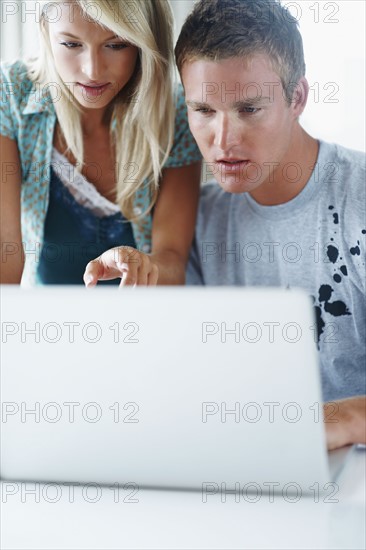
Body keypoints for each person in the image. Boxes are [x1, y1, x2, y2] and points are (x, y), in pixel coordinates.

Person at [172, 0, 365, 450]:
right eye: (203, 110)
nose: (223, 140)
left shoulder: (356, 200)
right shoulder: (198, 222)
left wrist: (347, 419)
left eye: (249, 109)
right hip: (253, 473)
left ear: (296, 98)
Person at [0, 0, 201, 287]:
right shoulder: (10, 94)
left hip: (143, 323)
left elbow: (172, 263)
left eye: (116, 45)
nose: (92, 70)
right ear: (46, 30)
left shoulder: (177, 113)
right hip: (44, 324)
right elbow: (4, 257)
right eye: (71, 44)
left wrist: (146, 266)